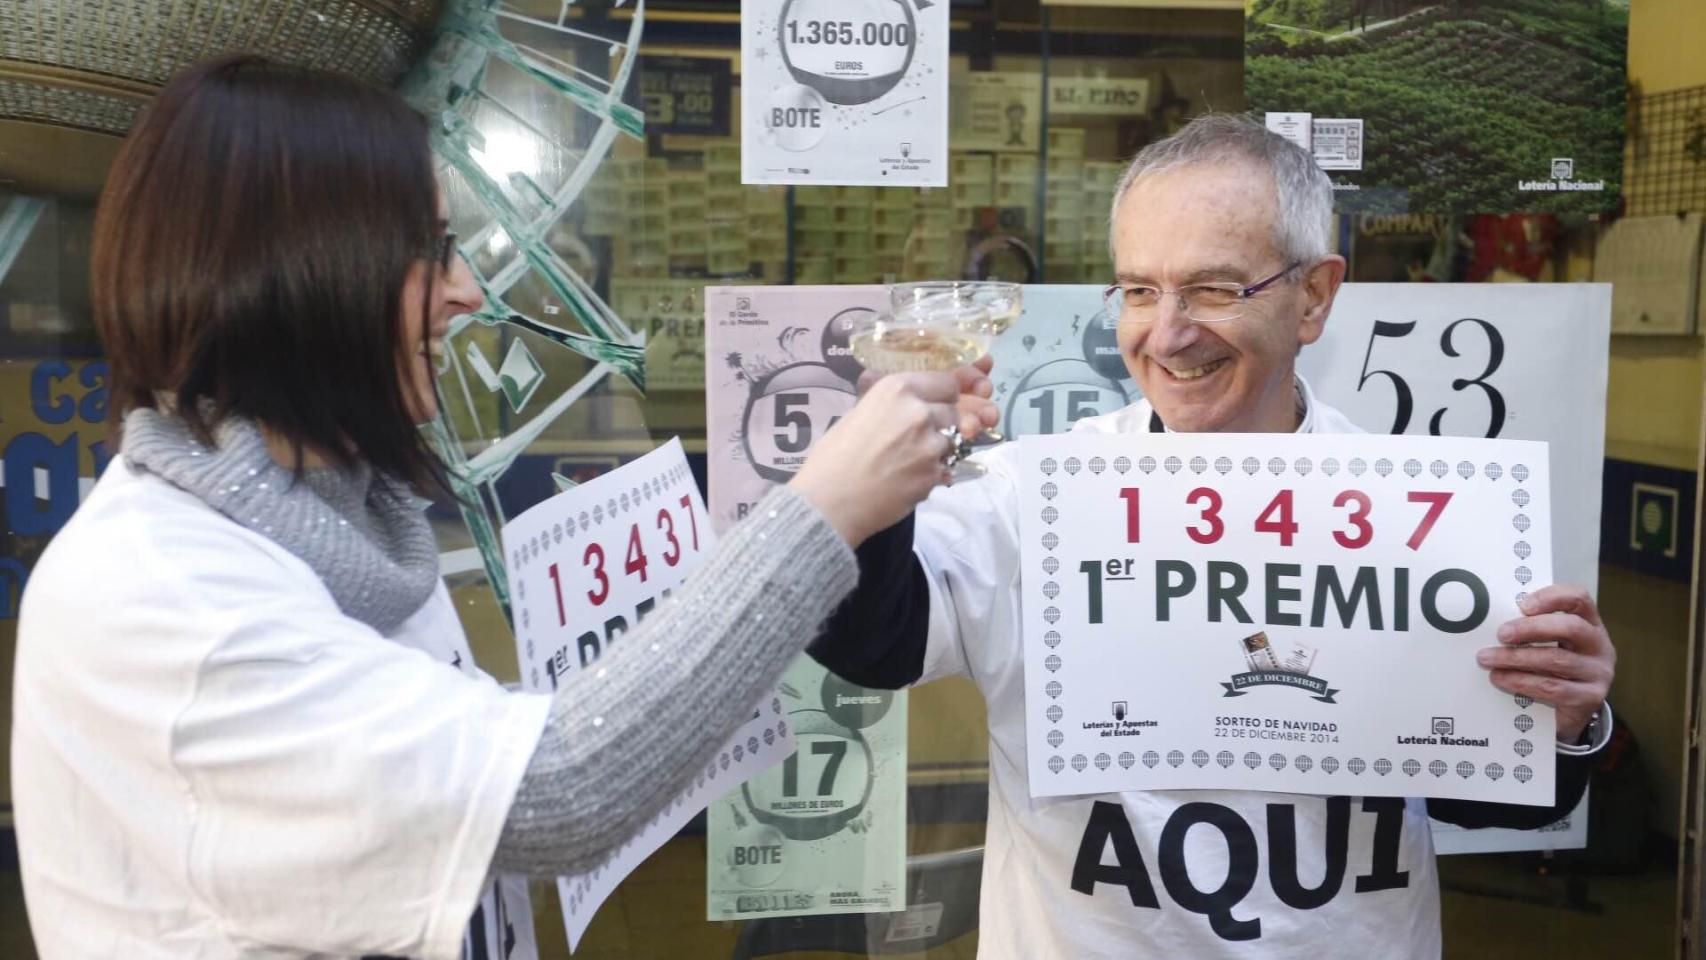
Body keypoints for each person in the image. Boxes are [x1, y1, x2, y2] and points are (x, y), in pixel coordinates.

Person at [8, 56, 995, 960]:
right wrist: (820, 509)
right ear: (304, 275)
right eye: (432, 252)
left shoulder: (341, 520)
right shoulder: (166, 603)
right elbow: (551, 791)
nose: (468, 293)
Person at [812, 114, 1617, 958]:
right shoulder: (1040, 496)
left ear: (1314, 296)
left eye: (1214, 288)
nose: (1168, 334)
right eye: (1139, 290)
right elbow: (876, 643)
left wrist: (1567, 718)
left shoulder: (1412, 513)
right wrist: (877, 493)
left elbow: (1497, 798)